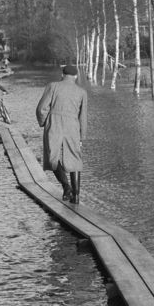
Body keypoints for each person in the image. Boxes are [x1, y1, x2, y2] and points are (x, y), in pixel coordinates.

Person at [36, 65, 87, 204]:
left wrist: (44, 122)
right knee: (75, 158)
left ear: (62, 75)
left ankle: (66, 187)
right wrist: (81, 137)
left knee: (52, 156)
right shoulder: (81, 92)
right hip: (73, 126)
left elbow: (41, 109)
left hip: (54, 124)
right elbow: (83, 117)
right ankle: (75, 197)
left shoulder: (53, 86)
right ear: (75, 77)